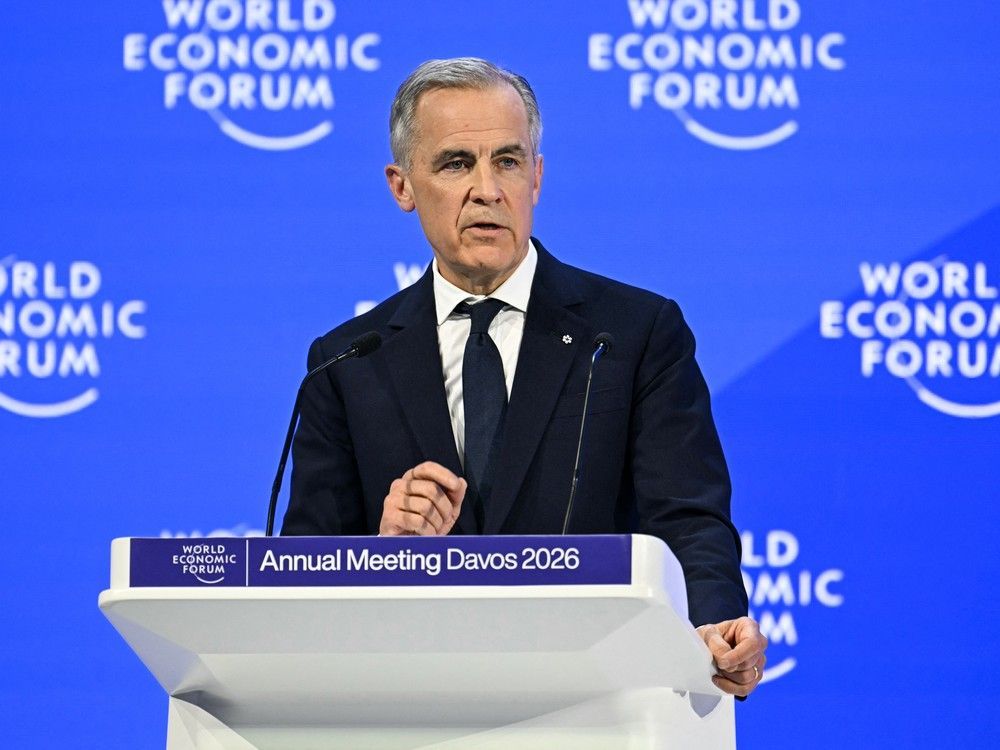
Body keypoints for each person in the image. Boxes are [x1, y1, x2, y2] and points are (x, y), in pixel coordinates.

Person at [283, 57, 767, 697]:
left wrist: (714, 622)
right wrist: (381, 550)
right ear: (402, 186)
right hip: (414, 705)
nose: (488, 189)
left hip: (596, 701)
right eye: (457, 163)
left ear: (536, 178)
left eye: (508, 161)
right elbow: (301, 572)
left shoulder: (633, 333)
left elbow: (688, 520)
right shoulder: (348, 361)